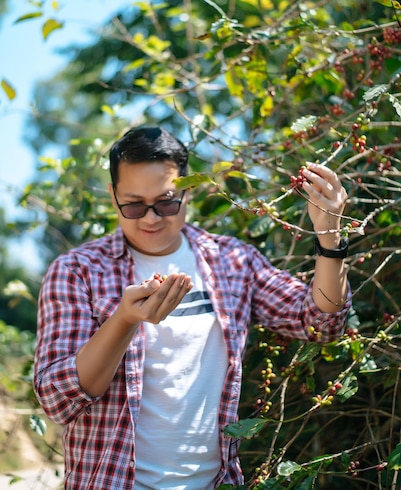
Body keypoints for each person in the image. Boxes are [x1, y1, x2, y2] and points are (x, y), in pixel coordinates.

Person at [33, 125, 351, 490]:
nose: (151, 218)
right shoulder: (77, 271)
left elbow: (322, 324)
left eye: (166, 201)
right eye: (134, 204)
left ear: (189, 192)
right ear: (113, 196)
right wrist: (123, 321)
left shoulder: (232, 260)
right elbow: (58, 401)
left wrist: (330, 237)